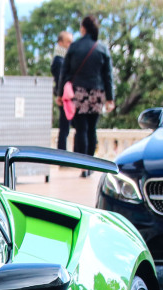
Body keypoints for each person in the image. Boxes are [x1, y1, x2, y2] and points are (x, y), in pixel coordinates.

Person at [60, 15, 114, 176]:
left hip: (79, 93)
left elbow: (65, 72)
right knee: (92, 129)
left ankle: (83, 165)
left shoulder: (74, 47)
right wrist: (110, 98)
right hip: (97, 93)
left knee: (81, 129)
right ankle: (90, 164)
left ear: (83, 29)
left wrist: (59, 93)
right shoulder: (102, 48)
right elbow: (108, 76)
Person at [51, 31, 74, 151]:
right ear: (61, 43)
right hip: (65, 98)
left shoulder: (64, 59)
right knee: (64, 127)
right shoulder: (59, 61)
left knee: (66, 127)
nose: (70, 44)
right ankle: (62, 153)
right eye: (68, 42)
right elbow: (62, 80)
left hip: (66, 97)